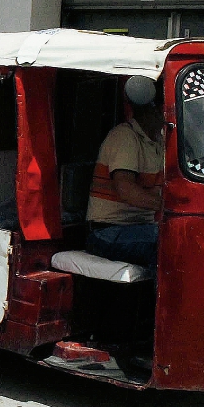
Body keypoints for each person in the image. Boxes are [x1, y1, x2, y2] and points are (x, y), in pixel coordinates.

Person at [85, 75, 164, 267]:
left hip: (138, 227)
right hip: (107, 231)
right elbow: (126, 190)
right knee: (168, 245)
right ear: (154, 108)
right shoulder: (125, 137)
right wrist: (171, 207)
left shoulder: (159, 143)